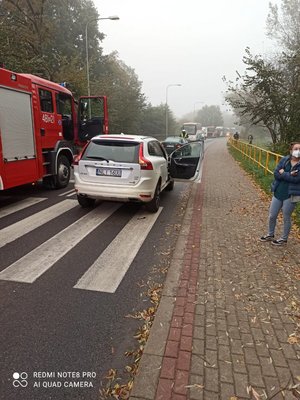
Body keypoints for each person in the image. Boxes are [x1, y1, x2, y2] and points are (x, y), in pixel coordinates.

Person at [260, 142, 300, 246]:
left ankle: (283, 238)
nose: (298, 151)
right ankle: (270, 234)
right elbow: (276, 174)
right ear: (291, 151)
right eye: (296, 149)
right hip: (278, 192)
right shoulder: (285, 160)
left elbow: (297, 180)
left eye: (299, 149)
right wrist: (289, 174)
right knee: (272, 215)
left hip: (291, 194)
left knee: (286, 217)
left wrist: (284, 173)